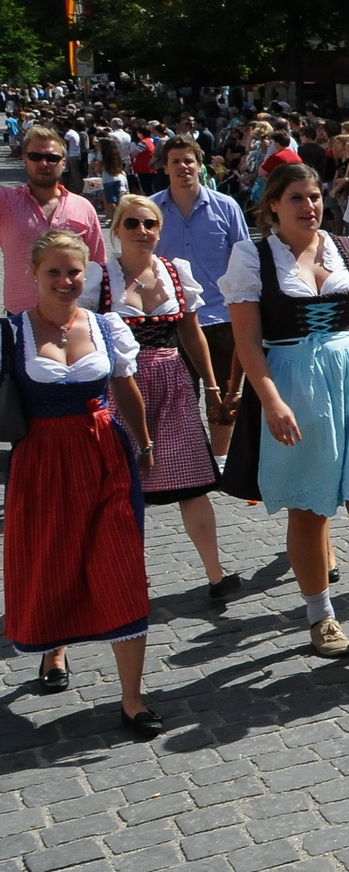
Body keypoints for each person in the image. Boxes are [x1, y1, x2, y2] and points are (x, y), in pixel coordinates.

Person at [221, 163, 349, 658]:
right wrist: (269, 399)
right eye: (296, 199)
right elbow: (247, 342)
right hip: (294, 385)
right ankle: (321, 615)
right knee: (309, 511)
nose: (309, 206)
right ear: (272, 205)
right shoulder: (252, 257)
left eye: (314, 197)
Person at [5, 228, 160, 733]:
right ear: (33, 274)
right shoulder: (12, 332)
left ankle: (132, 699)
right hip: (42, 463)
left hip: (104, 455)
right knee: (50, 562)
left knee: (121, 566)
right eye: (53, 271)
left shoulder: (103, 325)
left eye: (74, 271)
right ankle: (53, 651)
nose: (65, 280)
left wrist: (144, 444)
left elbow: (125, 385)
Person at [84, 194, 238, 598]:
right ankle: (130, 575)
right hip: (120, 388)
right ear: (115, 229)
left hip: (172, 382)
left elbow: (191, 332)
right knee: (123, 488)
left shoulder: (175, 271)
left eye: (150, 224)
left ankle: (216, 574)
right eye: (132, 224)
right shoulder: (98, 278)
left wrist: (211, 385)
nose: (142, 231)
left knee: (194, 482)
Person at [2, 126, 107, 316]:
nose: (44, 163)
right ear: (24, 159)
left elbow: (98, 265)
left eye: (52, 158)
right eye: (35, 157)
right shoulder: (6, 202)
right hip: (20, 316)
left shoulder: (83, 207)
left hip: (73, 316)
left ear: (63, 163)